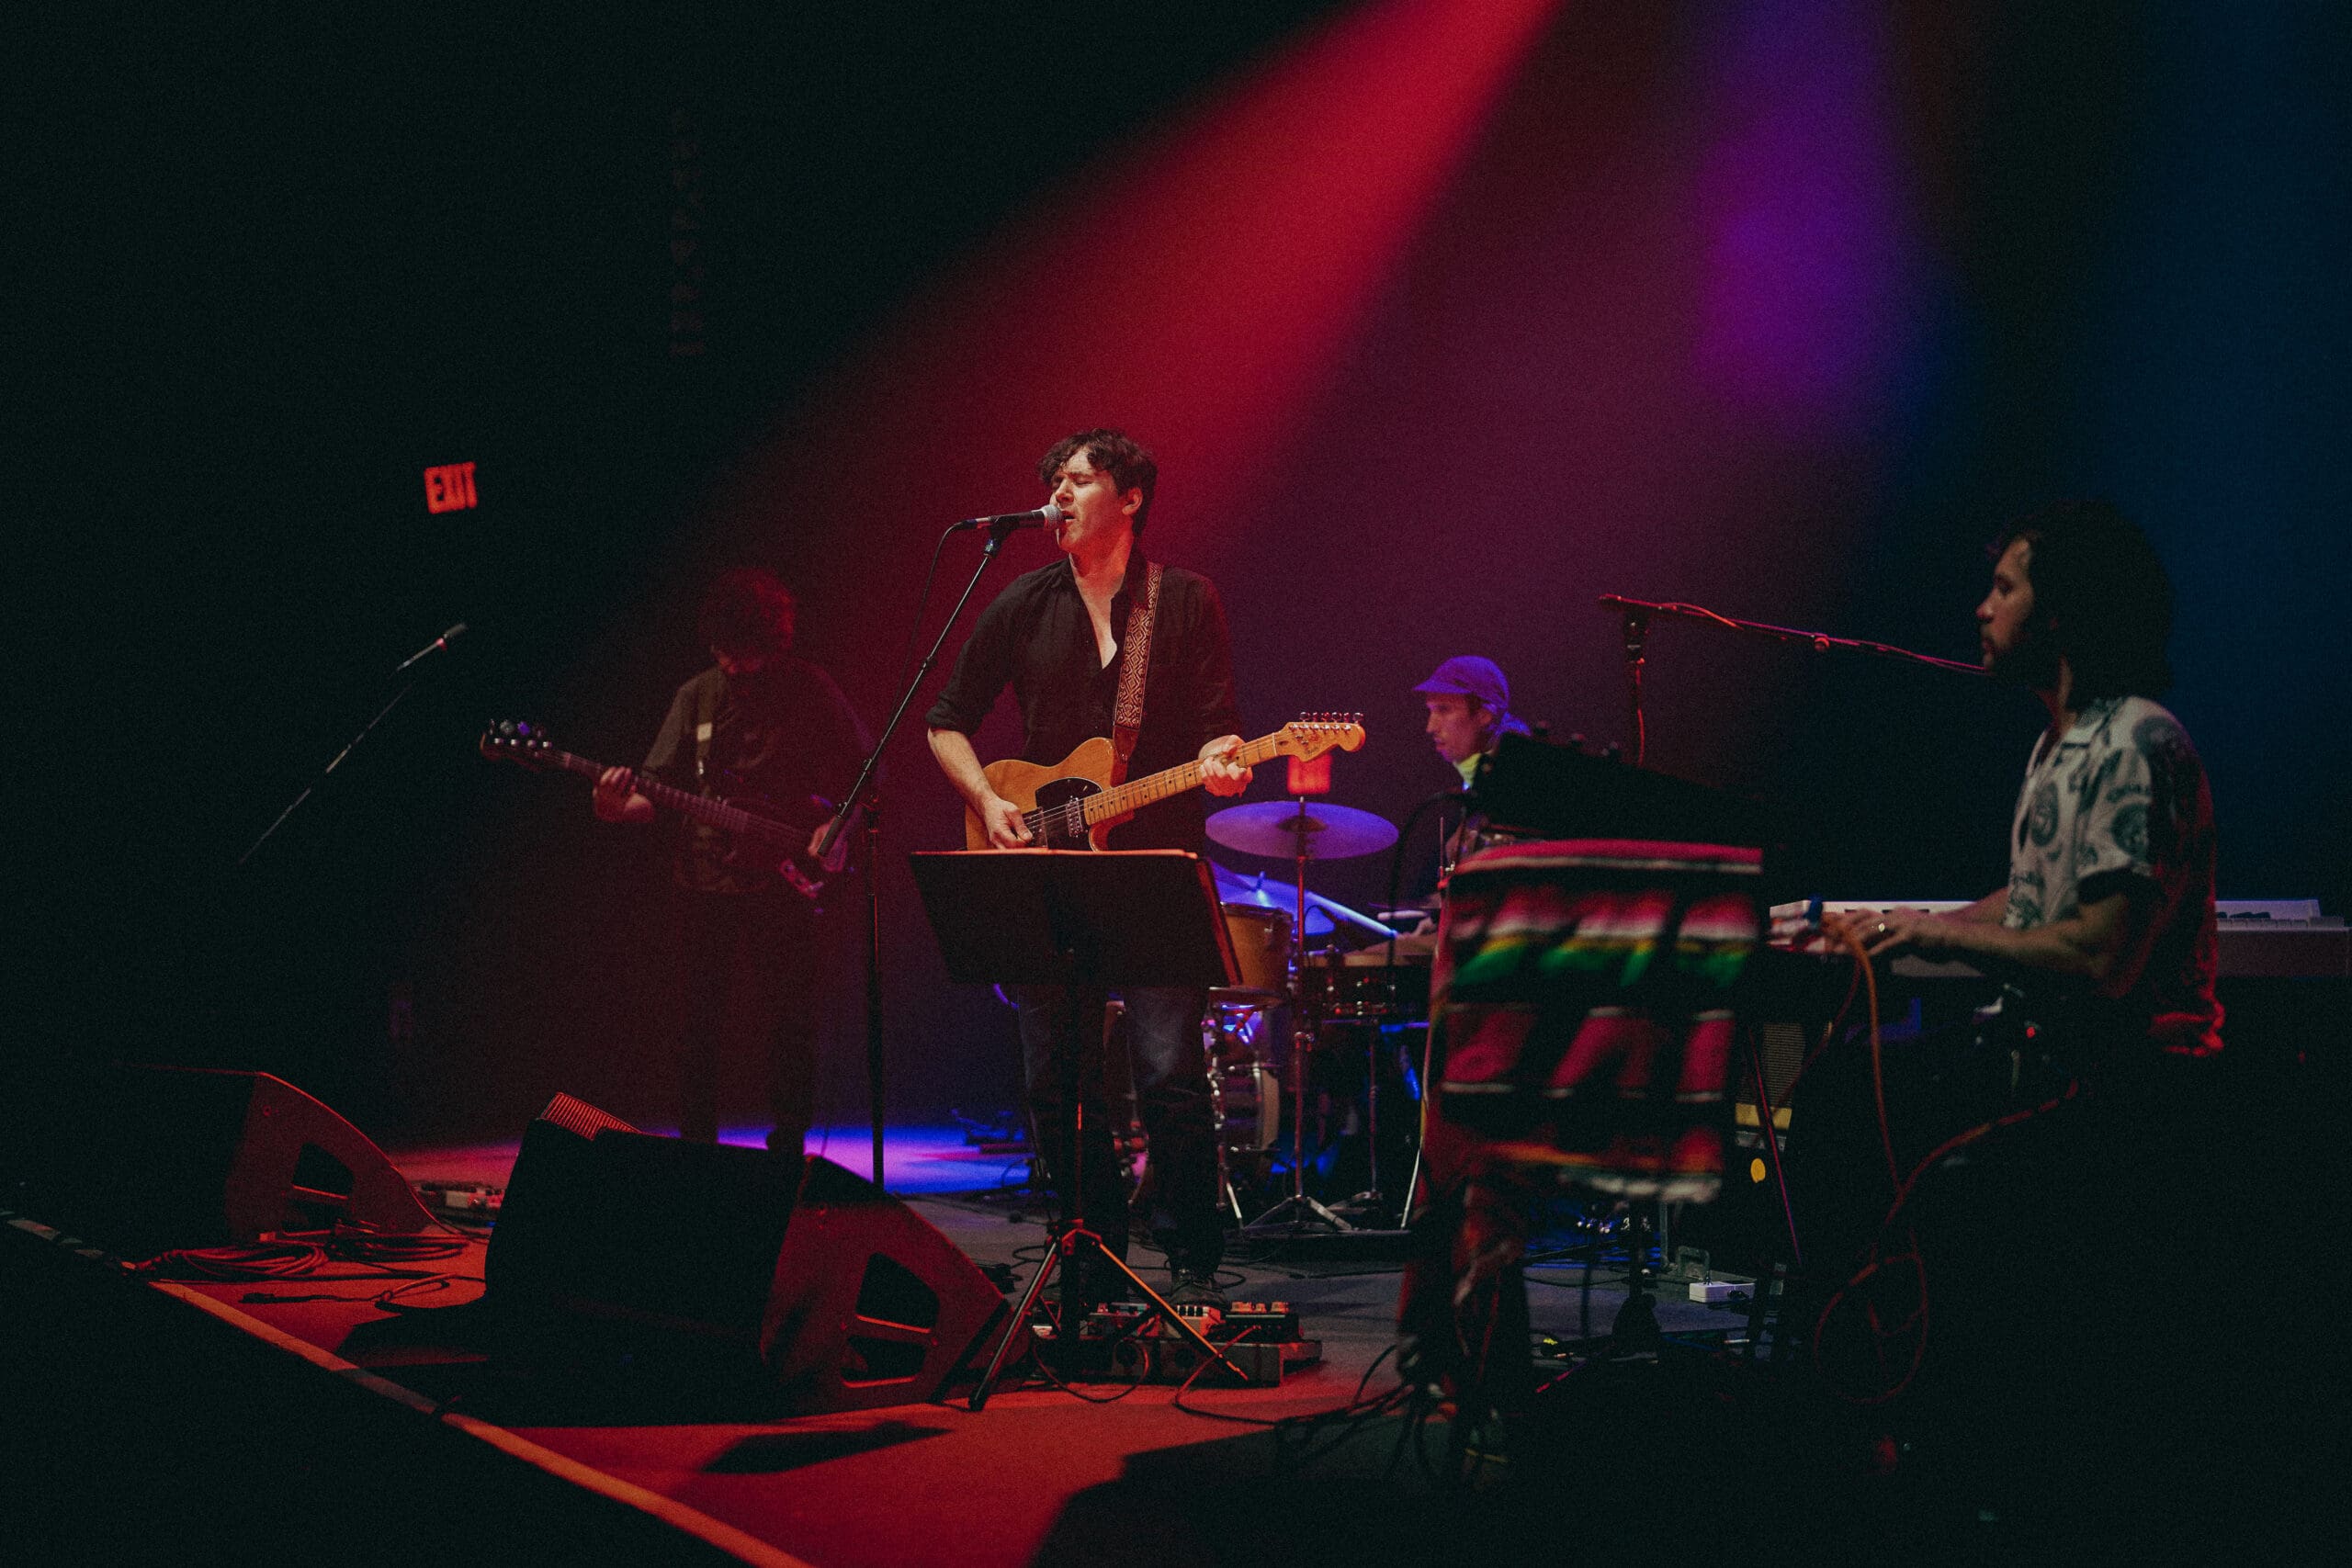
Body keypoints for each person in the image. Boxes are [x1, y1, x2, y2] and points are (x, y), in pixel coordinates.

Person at [925, 428, 1252, 1306]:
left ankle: (1191, 1259)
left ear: (1130, 497)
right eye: (1053, 482)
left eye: (1078, 481)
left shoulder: (1182, 601)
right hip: (1043, 864)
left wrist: (1225, 757)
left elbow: (1220, 722)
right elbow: (945, 719)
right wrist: (990, 803)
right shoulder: (1022, 603)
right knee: (1055, 1077)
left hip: (1150, 858)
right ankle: (1087, 1247)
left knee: (1168, 1070)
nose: (1058, 497)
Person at [1829, 500, 2221, 1062]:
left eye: (2005, 590)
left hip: (2125, 1084)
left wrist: (1937, 935)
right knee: (1846, 1072)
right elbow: (2036, 901)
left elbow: (2099, 959)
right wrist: (1897, 927)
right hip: (2052, 1062)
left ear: (2058, 609)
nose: (1983, 610)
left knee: (1848, 1095)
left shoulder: (2137, 741)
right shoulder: (2058, 743)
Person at [593, 568, 870, 1154]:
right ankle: (697, 1147)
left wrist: (833, 827)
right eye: (721, 652)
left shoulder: (808, 688)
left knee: (790, 1024)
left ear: (772, 641)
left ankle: (789, 1144)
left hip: (785, 883)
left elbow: (865, 773)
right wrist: (616, 808)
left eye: (743, 654)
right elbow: (658, 793)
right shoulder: (695, 696)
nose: (731, 666)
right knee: (697, 1026)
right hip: (704, 880)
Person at [1415, 654, 1533, 894]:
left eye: (1444, 710)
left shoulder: (1519, 777)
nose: (1430, 727)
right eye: (1430, 711)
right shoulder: (1482, 771)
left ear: (1484, 715)